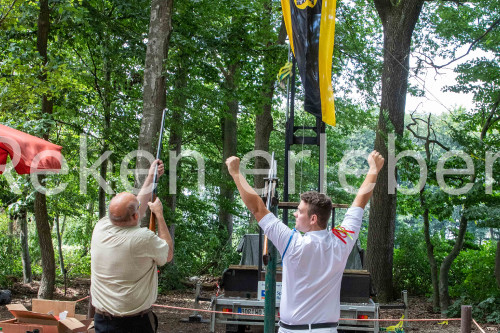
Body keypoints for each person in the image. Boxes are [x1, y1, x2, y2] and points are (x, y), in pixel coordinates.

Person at [226, 150, 385, 333]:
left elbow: (257, 208)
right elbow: (359, 202)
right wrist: (374, 170)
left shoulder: (292, 244)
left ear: (313, 219)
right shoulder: (341, 240)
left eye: (300, 211)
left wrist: (236, 173)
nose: (295, 213)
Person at [90, 159, 173, 333]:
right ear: (135, 217)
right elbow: (168, 254)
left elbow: (136, 208)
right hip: (135, 324)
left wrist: (151, 177)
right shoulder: (142, 238)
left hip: (103, 322)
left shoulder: (101, 227)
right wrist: (159, 215)